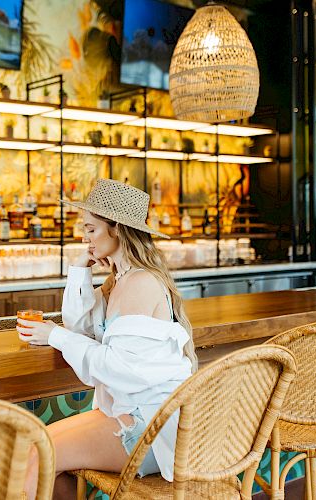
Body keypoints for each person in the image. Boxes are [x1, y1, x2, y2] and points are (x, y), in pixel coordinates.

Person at [17, 179, 197, 500]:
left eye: (90, 229)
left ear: (116, 229)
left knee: (41, 453)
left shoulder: (141, 283)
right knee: (37, 446)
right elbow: (80, 325)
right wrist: (79, 269)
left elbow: (116, 365)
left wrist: (54, 335)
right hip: (132, 414)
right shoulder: (120, 280)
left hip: (153, 429)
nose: (84, 238)